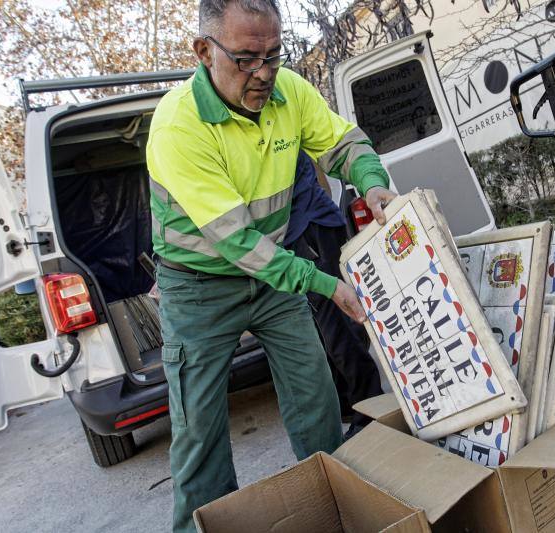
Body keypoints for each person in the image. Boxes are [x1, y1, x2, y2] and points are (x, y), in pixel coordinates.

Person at [145, 1, 396, 530]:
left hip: (273, 277)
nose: (262, 74)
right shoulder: (178, 127)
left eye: (273, 56)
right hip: (199, 289)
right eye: (245, 59)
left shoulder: (289, 93)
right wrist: (326, 284)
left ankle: (333, 510)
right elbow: (238, 244)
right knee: (200, 432)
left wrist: (372, 182)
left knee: (316, 398)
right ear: (203, 51)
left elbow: (344, 143)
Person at [285, 151, 384, 438]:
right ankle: (351, 404)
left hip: (309, 229)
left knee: (337, 327)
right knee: (324, 329)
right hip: (302, 232)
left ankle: (370, 407)